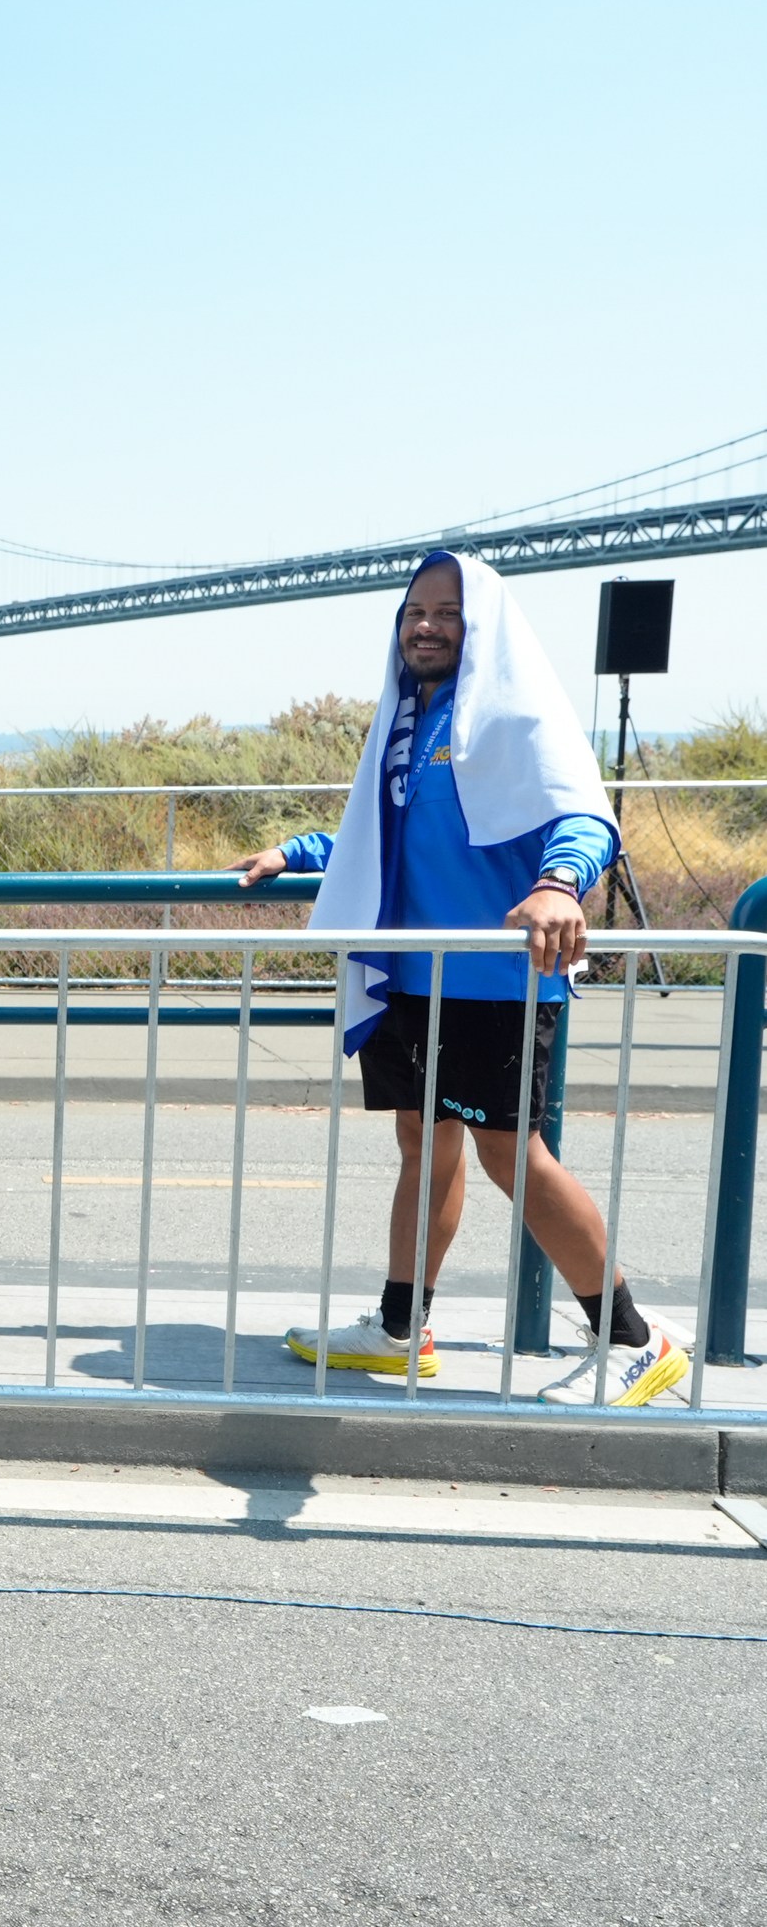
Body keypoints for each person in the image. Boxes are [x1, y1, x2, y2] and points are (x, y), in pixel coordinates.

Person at [232, 551, 688, 1407]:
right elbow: (387, 841)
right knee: (422, 1142)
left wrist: (557, 885)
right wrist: (297, 852)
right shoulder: (408, 721)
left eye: (448, 612)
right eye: (414, 612)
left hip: (497, 980)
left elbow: (584, 814)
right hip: (414, 972)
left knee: (511, 1155)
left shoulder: (516, 714)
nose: (427, 626)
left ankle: (636, 1338)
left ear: (484, 625)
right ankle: (401, 1329)